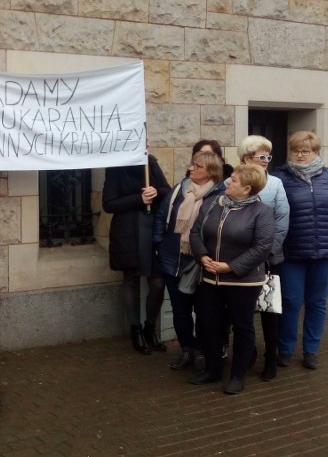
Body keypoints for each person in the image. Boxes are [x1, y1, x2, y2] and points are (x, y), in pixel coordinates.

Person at [272, 131, 328, 370]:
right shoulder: (280, 177)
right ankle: (285, 349)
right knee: (291, 302)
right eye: (296, 150)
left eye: (306, 151)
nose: (300, 155)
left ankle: (311, 350)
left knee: (317, 302)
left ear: (316, 152)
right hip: (292, 252)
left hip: (325, 252)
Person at [189, 164, 275, 394]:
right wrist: (202, 256)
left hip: (244, 281)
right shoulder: (211, 204)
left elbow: (262, 247)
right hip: (210, 278)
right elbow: (195, 232)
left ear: (247, 188)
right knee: (209, 324)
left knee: (242, 327)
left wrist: (231, 266)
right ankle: (213, 369)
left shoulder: (262, 212)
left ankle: (238, 375)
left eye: (234, 180)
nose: (228, 182)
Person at [154, 151, 225, 370]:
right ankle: (187, 349)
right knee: (180, 311)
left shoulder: (219, 196)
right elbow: (160, 217)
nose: (191, 169)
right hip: (171, 261)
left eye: (197, 166)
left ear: (211, 171)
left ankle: (204, 351)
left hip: (200, 265)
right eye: (192, 165)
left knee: (204, 313)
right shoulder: (178, 190)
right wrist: (159, 243)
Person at [102, 153, 171, 354]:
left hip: (153, 230)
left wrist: (156, 191)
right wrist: (138, 198)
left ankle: (150, 328)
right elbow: (109, 204)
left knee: (158, 282)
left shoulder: (151, 163)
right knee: (131, 280)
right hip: (128, 232)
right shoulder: (116, 168)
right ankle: (136, 330)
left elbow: (168, 190)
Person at [236, 135, 289, 380]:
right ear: (247, 158)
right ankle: (248, 353)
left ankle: (271, 358)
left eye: (269, 156)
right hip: (238, 262)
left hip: (268, 261)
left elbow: (282, 220)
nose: (267, 160)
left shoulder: (276, 184)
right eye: (262, 156)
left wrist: (264, 252)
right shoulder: (232, 182)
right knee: (242, 313)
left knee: (270, 311)